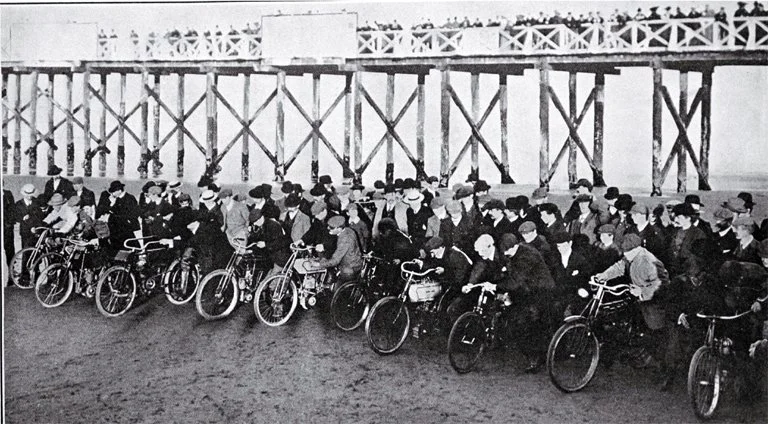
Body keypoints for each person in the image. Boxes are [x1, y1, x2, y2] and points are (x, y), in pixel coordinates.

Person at [595, 234, 673, 388]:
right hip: (639, 301)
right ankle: (636, 354)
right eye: (624, 252)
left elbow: (662, 285)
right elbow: (619, 267)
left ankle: (665, 374)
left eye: (628, 252)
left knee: (658, 342)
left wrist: (643, 291)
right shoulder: (630, 257)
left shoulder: (650, 262)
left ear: (638, 249)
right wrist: (603, 276)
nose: (625, 255)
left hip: (655, 306)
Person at [422, 236, 473, 325]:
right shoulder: (440, 254)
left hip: (462, 286)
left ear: (441, 248)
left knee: (445, 305)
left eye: (433, 252)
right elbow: (433, 265)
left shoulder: (454, 255)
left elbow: (460, 277)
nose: (432, 255)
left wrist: (445, 271)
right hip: (450, 282)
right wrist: (422, 264)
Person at [315, 215, 363, 284]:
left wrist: (320, 264)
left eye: (331, 228)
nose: (328, 228)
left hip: (349, 269)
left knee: (335, 292)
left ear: (339, 228)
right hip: (354, 264)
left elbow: (335, 260)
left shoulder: (345, 239)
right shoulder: (348, 230)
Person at [15, 184, 45, 248]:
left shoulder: (37, 202)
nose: (29, 196)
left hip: (36, 230)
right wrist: (23, 218)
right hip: (25, 231)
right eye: (27, 194)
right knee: (25, 250)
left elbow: (41, 216)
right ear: (23, 194)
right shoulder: (18, 204)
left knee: (36, 251)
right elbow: (16, 216)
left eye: (31, 194)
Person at [3, 188, 16, 264]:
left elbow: (12, 209)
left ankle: (11, 268)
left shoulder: (8, 194)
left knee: (9, 248)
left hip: (7, 226)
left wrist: (9, 223)